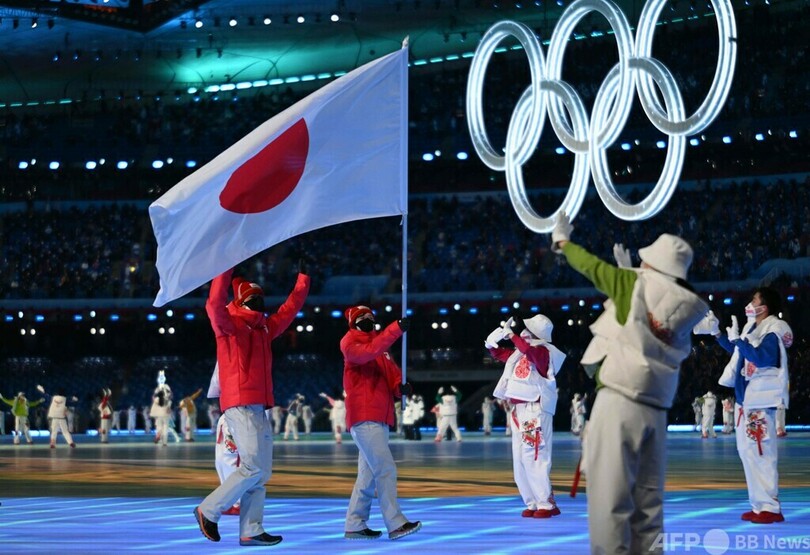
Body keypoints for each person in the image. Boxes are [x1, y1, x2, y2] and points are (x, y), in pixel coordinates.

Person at [551, 214, 708, 554]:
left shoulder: (633, 285)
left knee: (609, 501)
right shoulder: (685, 304)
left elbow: (591, 266)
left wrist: (562, 242)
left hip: (619, 403)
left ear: (652, 263)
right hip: (656, 410)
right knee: (649, 506)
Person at [193, 264, 309, 547]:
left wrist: (303, 280)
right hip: (240, 402)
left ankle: (251, 530)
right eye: (252, 298)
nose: (258, 302)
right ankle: (208, 509)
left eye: (260, 297)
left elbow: (289, 309)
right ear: (240, 301)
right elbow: (213, 304)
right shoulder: (228, 326)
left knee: (261, 472)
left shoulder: (264, 328)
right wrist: (225, 268)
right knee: (254, 466)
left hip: (259, 406)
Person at [697, 287, 792, 524]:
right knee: (748, 454)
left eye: (754, 300)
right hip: (745, 401)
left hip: (760, 401)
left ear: (764, 307)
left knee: (761, 453)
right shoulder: (752, 328)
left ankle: (770, 506)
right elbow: (737, 353)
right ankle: (759, 505)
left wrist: (739, 340)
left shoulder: (774, 329)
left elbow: (764, 358)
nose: (750, 303)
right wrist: (718, 334)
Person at [340, 305, 422, 541]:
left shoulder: (382, 349)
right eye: (362, 317)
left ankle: (355, 524)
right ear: (353, 322)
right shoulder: (350, 342)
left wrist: (400, 387)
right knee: (385, 468)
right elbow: (367, 353)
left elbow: (393, 375)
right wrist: (395, 329)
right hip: (364, 415)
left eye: (370, 316)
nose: (368, 319)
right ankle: (395, 523)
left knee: (367, 476)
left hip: (380, 417)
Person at [486, 314, 567, 518]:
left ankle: (545, 503)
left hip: (534, 410)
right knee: (520, 458)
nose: (524, 332)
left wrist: (512, 336)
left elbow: (530, 353)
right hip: (518, 410)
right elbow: (499, 353)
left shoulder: (544, 352)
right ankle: (532, 502)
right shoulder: (518, 354)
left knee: (534, 455)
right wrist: (492, 341)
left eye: (528, 330)